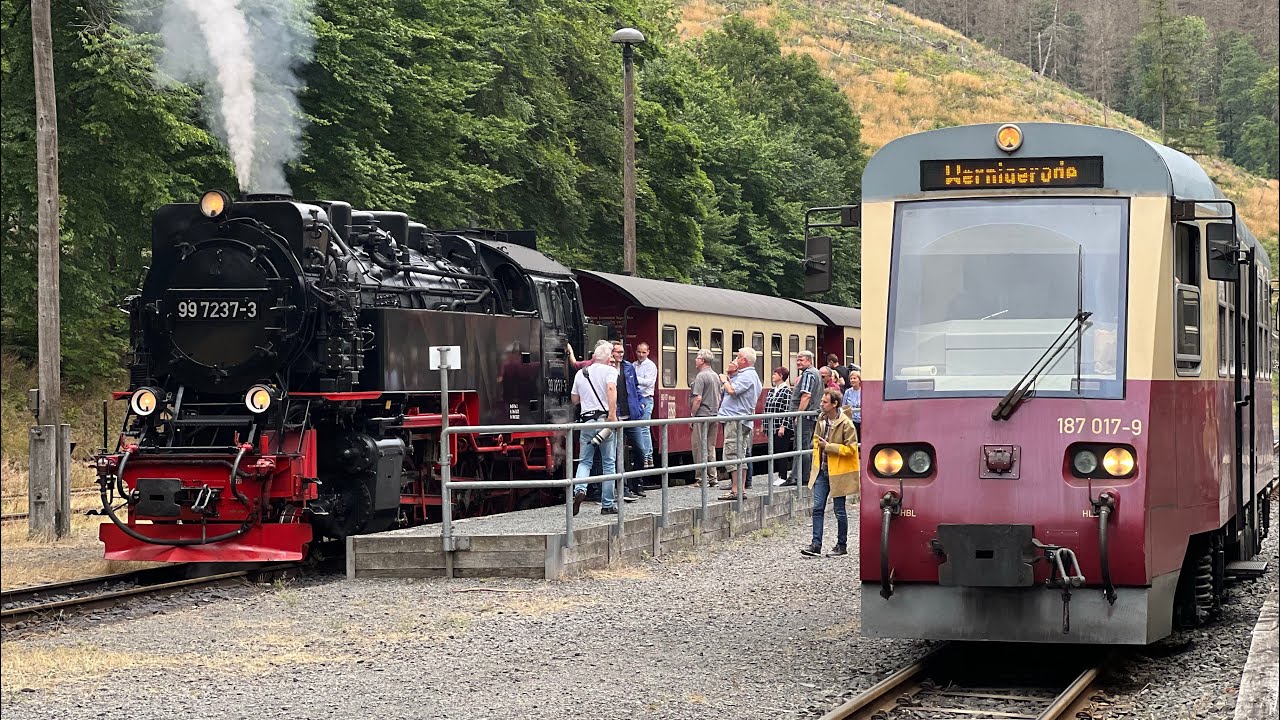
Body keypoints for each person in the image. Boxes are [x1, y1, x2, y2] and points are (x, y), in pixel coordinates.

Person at [801, 388, 859, 557]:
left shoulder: (846, 424)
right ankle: (815, 544)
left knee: (839, 510)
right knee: (818, 508)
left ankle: (842, 545)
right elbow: (817, 441)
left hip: (837, 473)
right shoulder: (821, 419)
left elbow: (852, 449)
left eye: (825, 402)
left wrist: (830, 447)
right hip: (822, 471)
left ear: (834, 404)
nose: (821, 404)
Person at [571, 343, 620, 516]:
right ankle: (607, 505)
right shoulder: (610, 371)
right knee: (608, 463)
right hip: (604, 420)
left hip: (587, 421)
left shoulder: (580, 373)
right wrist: (612, 416)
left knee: (585, 461)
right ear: (608, 359)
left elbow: (575, 399)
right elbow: (611, 388)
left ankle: (579, 490)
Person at [716, 347, 762, 500]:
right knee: (739, 454)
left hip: (736, 419)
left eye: (738, 356)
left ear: (745, 360)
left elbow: (732, 391)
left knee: (732, 454)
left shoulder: (748, 376)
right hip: (740, 419)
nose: (735, 359)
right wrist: (731, 375)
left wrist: (724, 379)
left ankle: (736, 490)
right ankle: (739, 489)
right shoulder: (747, 375)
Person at [611, 341, 642, 501]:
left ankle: (637, 483)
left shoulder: (629, 367)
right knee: (618, 454)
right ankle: (623, 488)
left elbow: (636, 387)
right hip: (616, 416)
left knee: (640, 449)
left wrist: (640, 403)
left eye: (622, 352)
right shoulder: (607, 368)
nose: (620, 355)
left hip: (631, 414)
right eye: (617, 352)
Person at [689, 348, 720, 487]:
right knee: (710, 447)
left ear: (702, 361)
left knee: (698, 447)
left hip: (702, 415)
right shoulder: (715, 376)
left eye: (697, 358)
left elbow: (698, 398)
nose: (695, 360)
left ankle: (701, 479)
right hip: (714, 415)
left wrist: (692, 415)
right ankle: (713, 477)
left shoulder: (701, 376)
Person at [789, 350, 821, 485]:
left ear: (809, 361)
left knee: (802, 446)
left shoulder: (808, 374)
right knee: (805, 445)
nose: (798, 362)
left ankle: (800, 477)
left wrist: (798, 414)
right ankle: (800, 475)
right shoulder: (816, 372)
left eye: (801, 360)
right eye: (797, 360)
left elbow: (806, 395)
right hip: (810, 415)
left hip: (805, 416)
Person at [763, 367, 794, 486]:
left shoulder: (786, 391)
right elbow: (767, 407)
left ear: (781, 376)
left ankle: (783, 476)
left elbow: (787, 409)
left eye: (775, 374)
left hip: (780, 426)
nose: (773, 375)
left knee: (781, 450)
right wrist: (764, 424)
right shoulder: (772, 390)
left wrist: (783, 426)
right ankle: (779, 475)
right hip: (770, 425)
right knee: (775, 450)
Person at [632, 342, 658, 471]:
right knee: (638, 427)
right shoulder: (633, 365)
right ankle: (642, 454)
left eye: (643, 352)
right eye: (639, 352)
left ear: (648, 352)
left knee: (644, 427)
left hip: (646, 399)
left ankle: (648, 456)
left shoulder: (651, 366)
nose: (641, 355)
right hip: (636, 400)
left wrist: (635, 379)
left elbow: (649, 383)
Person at [841, 370, 862, 439]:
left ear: (859, 380)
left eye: (854, 378)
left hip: (862, 422)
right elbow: (844, 406)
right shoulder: (847, 392)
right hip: (851, 421)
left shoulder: (864, 391)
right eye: (851, 378)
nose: (852, 380)